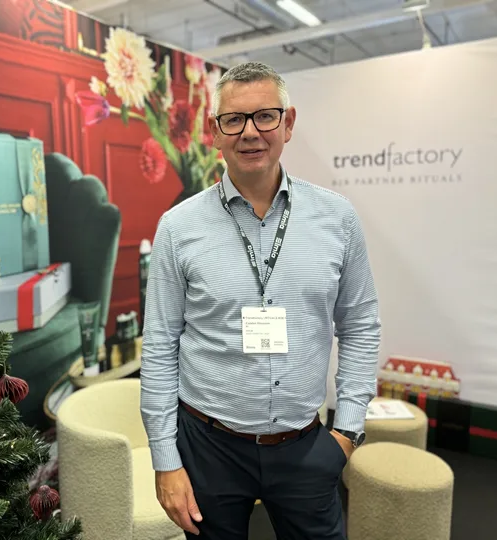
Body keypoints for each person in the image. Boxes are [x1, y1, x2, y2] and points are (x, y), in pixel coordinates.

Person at [140, 61, 381, 540]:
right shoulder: (178, 227)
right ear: (215, 132)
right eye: (234, 119)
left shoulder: (337, 218)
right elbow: (160, 345)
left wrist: (347, 432)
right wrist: (165, 460)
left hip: (306, 447)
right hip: (208, 448)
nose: (250, 132)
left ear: (288, 124)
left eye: (265, 116)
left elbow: (360, 326)